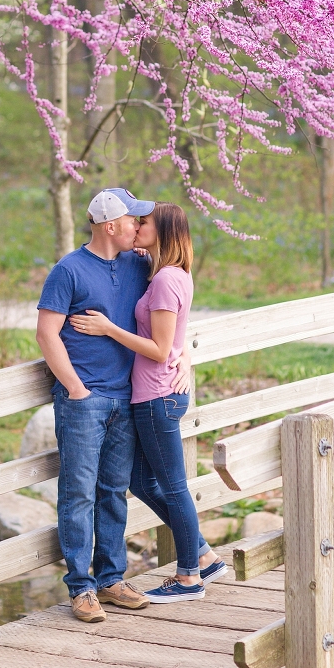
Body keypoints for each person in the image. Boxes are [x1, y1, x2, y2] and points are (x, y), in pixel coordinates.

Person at [36, 188, 189, 624]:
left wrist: (186, 359)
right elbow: (47, 335)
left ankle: (111, 578)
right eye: (132, 221)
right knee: (79, 492)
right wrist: (77, 389)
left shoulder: (140, 265)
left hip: (127, 398)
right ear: (110, 226)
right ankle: (81, 587)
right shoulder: (68, 271)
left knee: (112, 492)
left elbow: (173, 318)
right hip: (84, 401)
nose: (138, 227)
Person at [70, 201, 227, 603]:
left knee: (173, 486)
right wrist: (185, 355)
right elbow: (175, 341)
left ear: (164, 232)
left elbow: (160, 349)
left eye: (145, 224)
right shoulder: (167, 271)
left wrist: (107, 329)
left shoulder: (163, 281)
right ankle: (204, 555)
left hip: (157, 396)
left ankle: (189, 577)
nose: (138, 227)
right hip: (157, 394)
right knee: (140, 480)